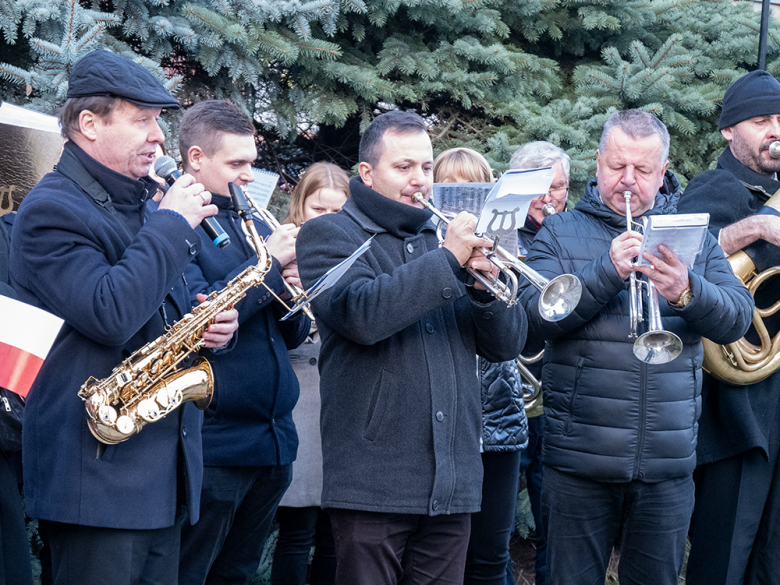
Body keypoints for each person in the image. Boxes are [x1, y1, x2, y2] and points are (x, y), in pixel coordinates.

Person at [8, 50, 238, 585]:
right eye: (142, 120)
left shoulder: (144, 204)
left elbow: (152, 307)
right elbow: (109, 312)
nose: (159, 136)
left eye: (158, 120)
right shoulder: (52, 209)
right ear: (89, 124)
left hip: (160, 479)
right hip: (96, 482)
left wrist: (204, 327)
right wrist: (171, 224)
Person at [518, 109, 754, 585]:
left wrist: (687, 291)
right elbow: (528, 319)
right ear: (598, 163)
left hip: (666, 468)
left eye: (642, 171)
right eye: (617, 166)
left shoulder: (695, 235)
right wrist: (606, 272)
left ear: (662, 172)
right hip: (579, 465)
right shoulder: (561, 233)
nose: (627, 181)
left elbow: (737, 318)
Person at [296, 110, 528, 585]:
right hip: (373, 482)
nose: (419, 180)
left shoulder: (440, 239)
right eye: (403, 168)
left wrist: (486, 290)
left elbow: (506, 345)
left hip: (453, 479)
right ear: (367, 173)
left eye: (426, 167)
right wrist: (447, 261)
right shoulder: (328, 234)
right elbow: (362, 315)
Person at [172, 99, 311, 585]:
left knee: (238, 574)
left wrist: (291, 288)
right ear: (195, 158)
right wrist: (268, 266)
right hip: (218, 444)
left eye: (252, 161)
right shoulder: (176, 225)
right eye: (237, 164)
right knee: (192, 573)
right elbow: (198, 321)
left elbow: (290, 333)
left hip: (273, 441)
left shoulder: (245, 218)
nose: (249, 175)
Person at [678, 69, 780, 585]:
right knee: (723, 560)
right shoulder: (709, 187)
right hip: (734, 415)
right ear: (728, 131)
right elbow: (675, 260)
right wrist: (757, 227)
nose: (775, 130)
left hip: (778, 400)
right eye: (761, 120)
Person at [433, 146, 529, 585]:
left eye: (473, 191)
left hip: (498, 418)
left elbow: (515, 333)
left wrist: (496, 272)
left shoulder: (509, 248)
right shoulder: (424, 254)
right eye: (450, 191)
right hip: (444, 421)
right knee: (440, 555)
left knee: (491, 555)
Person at [271, 161, 349, 585]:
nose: (328, 221)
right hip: (301, 397)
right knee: (298, 529)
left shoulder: (357, 251)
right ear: (301, 205)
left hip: (343, 401)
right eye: (320, 209)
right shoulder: (282, 250)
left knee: (336, 534)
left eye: (339, 212)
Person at [508, 140, 571, 585]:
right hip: (507, 398)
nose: (551, 198)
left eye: (561, 187)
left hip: (558, 399)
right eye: (540, 189)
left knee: (560, 530)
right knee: (490, 529)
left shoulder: (570, 231)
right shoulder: (500, 232)